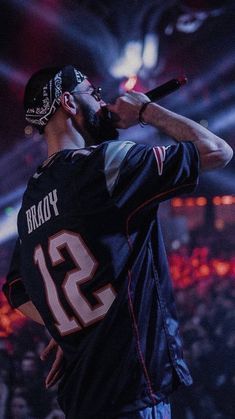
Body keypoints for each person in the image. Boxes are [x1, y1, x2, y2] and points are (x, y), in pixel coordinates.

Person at [2, 65, 233, 419]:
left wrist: (71, 326)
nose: (103, 101)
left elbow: (17, 290)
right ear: (68, 102)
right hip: (132, 391)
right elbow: (217, 151)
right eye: (93, 94)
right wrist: (144, 110)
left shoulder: (31, 202)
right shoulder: (106, 164)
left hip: (81, 399)